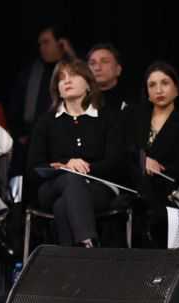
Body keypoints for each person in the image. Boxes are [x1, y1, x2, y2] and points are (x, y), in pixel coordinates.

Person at [27, 59, 127, 247]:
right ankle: (88, 243)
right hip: (52, 187)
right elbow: (34, 166)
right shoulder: (46, 122)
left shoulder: (108, 118)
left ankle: (73, 260)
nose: (67, 81)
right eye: (61, 78)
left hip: (98, 186)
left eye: (73, 75)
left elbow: (116, 162)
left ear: (89, 83)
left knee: (63, 206)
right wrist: (66, 165)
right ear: (57, 88)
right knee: (71, 179)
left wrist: (84, 167)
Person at [127, 62, 179, 248]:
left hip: (166, 185)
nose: (159, 90)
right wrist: (144, 160)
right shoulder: (134, 116)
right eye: (152, 85)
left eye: (165, 83)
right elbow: (124, 150)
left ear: (177, 89)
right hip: (134, 183)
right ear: (147, 92)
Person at [88, 43, 128, 115]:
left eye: (104, 62)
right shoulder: (81, 101)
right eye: (92, 63)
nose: (97, 68)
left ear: (118, 69)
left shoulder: (131, 102)